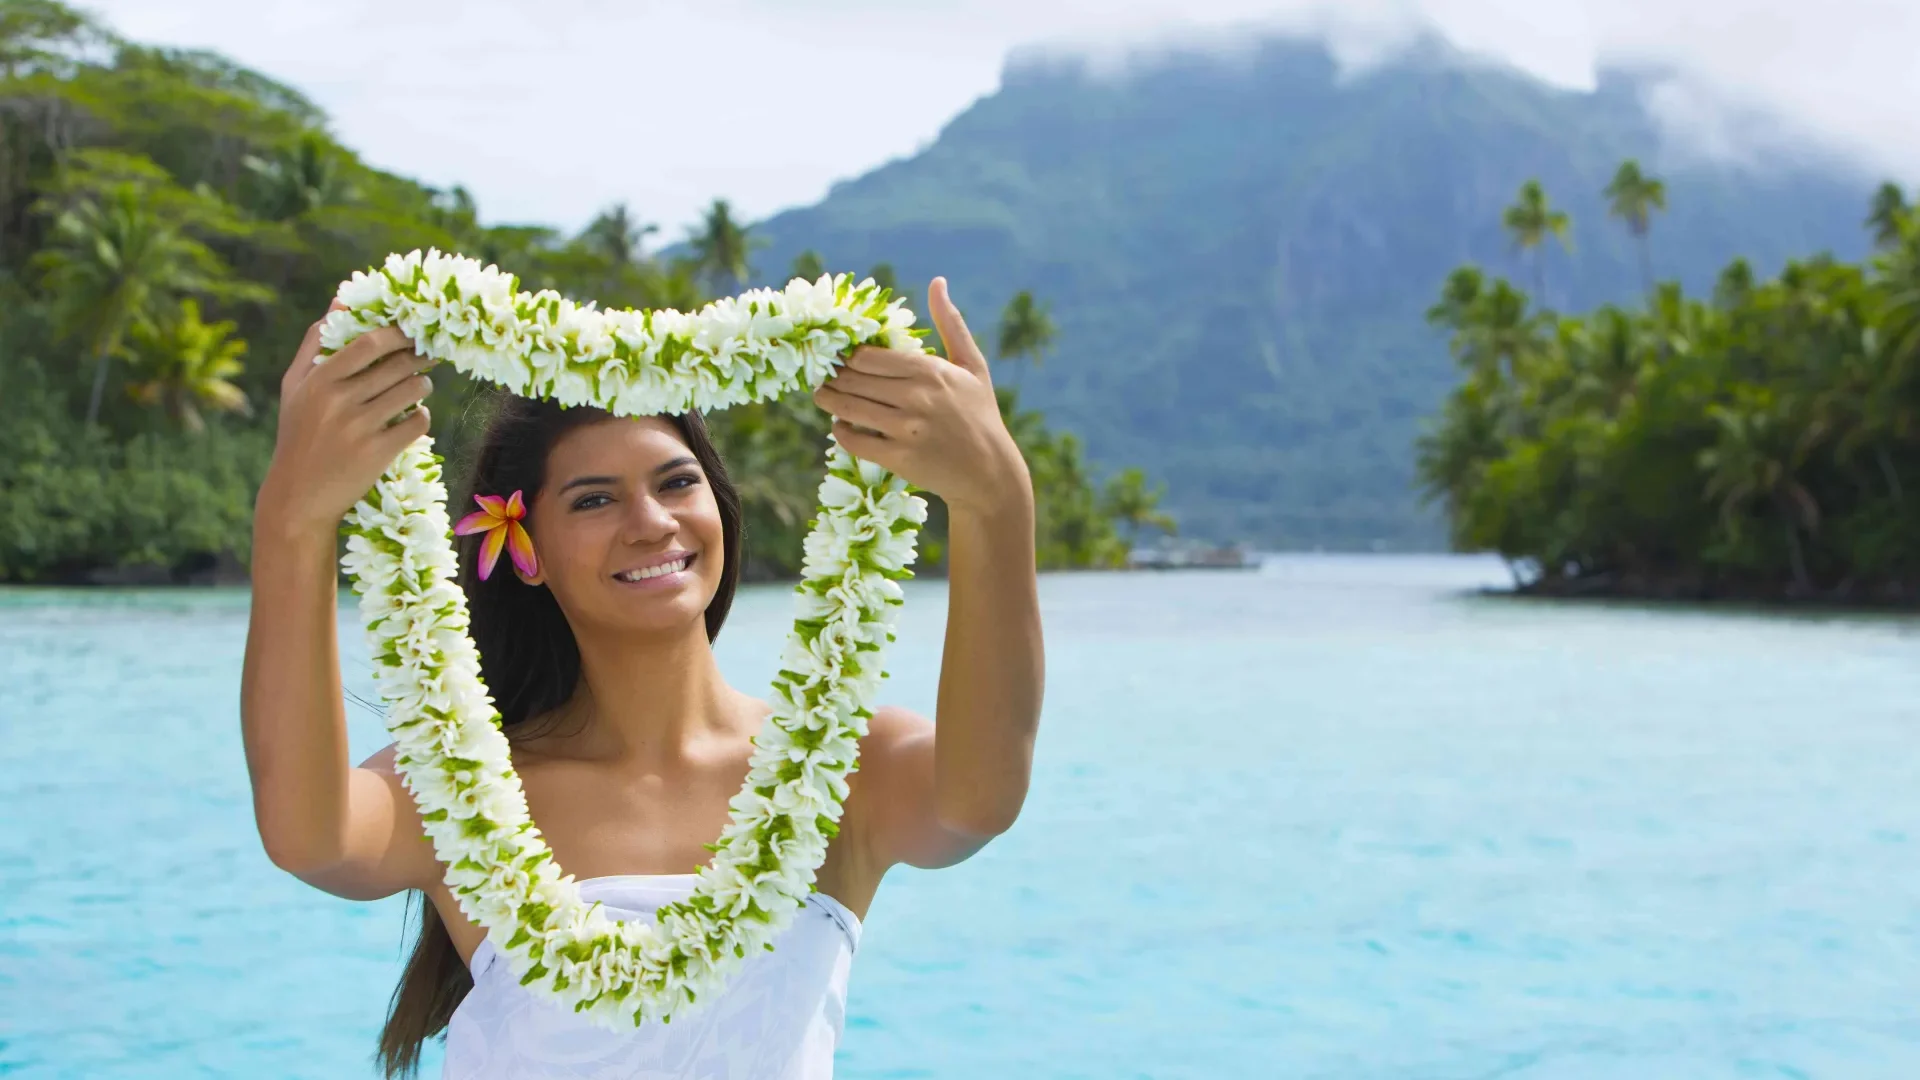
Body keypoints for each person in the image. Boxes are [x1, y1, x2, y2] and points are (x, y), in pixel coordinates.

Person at [239, 277, 1044, 1079]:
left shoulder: (841, 768)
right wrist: (294, 516)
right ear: (525, 551)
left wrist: (996, 497)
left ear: (718, 507)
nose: (652, 523)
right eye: (594, 501)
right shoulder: (465, 782)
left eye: (676, 481)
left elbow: (981, 800)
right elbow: (308, 836)